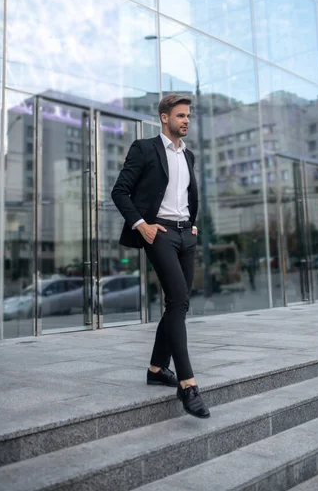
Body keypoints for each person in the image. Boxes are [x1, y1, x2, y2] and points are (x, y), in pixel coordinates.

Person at [111, 94, 210, 419]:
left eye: (188, 117)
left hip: (185, 234)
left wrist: (192, 224)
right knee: (180, 301)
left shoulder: (188, 155)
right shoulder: (144, 148)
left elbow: (187, 194)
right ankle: (188, 384)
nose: (186, 121)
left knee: (176, 304)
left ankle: (157, 369)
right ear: (164, 117)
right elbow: (119, 191)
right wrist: (142, 226)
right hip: (161, 233)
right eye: (180, 116)